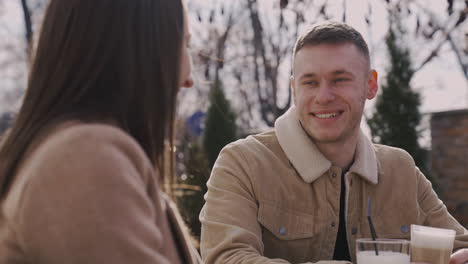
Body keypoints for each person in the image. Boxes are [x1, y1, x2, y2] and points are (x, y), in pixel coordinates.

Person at [200, 21, 468, 264]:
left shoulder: (401, 169)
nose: (324, 96)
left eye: (340, 80)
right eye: (310, 82)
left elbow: (459, 243)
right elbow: (226, 258)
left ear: (370, 85)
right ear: (294, 89)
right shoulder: (243, 163)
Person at [0, 0, 201, 263]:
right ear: (136, 49)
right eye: (182, 45)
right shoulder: (84, 158)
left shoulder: (76, 152)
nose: (189, 77)